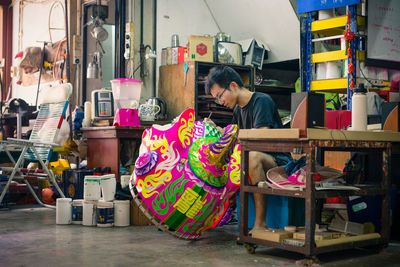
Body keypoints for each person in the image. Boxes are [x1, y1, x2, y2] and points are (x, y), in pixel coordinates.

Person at [204, 66, 291, 231]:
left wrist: (230, 134)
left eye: (220, 96)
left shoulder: (261, 101)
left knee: (252, 157)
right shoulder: (238, 109)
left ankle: (260, 224)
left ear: (234, 86)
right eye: (217, 99)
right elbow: (234, 136)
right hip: (257, 159)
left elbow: (261, 135)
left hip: (278, 161)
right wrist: (217, 131)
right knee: (223, 162)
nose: (220, 102)